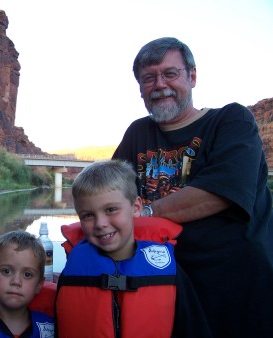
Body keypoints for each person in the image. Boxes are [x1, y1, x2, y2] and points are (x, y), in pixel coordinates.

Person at [112, 37, 273, 337]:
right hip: (163, 286)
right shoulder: (137, 133)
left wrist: (144, 212)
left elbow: (223, 190)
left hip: (236, 292)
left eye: (170, 73)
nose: (160, 85)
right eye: (149, 78)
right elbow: (109, 194)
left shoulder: (232, 120)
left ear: (192, 76)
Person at [55, 160, 212, 338]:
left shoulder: (169, 271)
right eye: (88, 215)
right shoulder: (73, 271)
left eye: (111, 209)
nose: (101, 224)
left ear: (136, 207)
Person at [0, 230, 55, 338]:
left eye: (27, 274)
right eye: (6, 271)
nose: (16, 281)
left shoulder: (51, 327)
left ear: (39, 284)